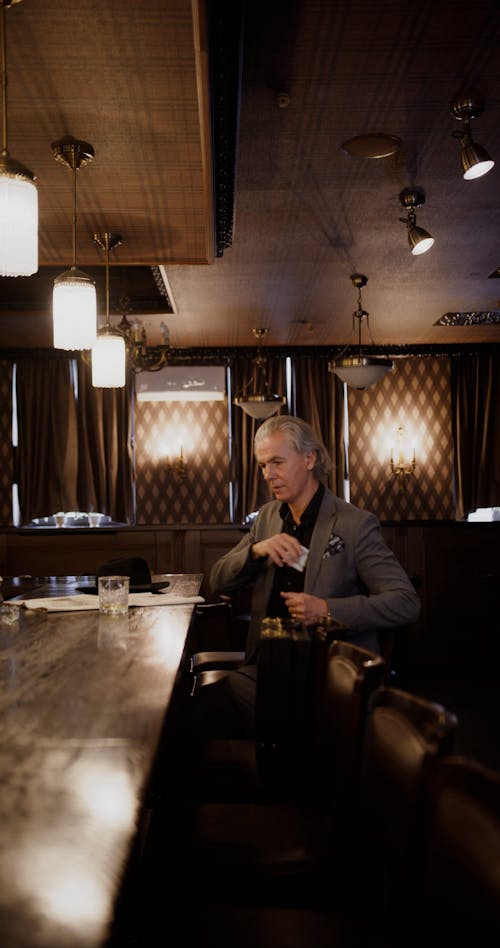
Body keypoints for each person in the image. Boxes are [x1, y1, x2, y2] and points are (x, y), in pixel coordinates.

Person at [192, 415, 421, 739]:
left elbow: (406, 602)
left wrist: (326, 609)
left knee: (194, 718)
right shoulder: (269, 516)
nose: (268, 475)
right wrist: (257, 550)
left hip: (325, 680)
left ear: (309, 458)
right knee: (184, 714)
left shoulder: (354, 525)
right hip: (266, 671)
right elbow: (218, 581)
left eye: (277, 462)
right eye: (262, 465)